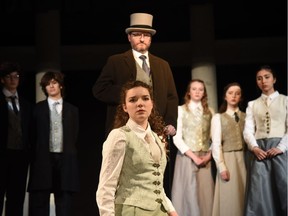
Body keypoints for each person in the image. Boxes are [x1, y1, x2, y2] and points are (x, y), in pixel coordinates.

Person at [96, 80, 178, 216]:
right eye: (133, 100)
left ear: (152, 104)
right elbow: (106, 186)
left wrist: (171, 210)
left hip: (160, 211)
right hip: (131, 211)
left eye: (145, 98)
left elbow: (156, 184)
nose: (140, 103)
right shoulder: (119, 136)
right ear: (125, 107)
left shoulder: (157, 138)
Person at [92, 12, 178, 137]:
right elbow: (99, 90)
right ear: (129, 37)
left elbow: (171, 97)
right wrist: (127, 95)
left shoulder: (163, 65)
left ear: (150, 38)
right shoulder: (116, 61)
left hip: (155, 130)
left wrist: (170, 122)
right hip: (124, 128)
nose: (142, 39)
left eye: (146, 35)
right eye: (137, 35)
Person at [28, 71, 79, 216]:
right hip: (43, 159)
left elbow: (74, 135)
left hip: (65, 159)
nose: (51, 86)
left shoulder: (72, 110)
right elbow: (33, 136)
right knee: (40, 202)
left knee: (64, 203)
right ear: (44, 87)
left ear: (61, 85)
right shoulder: (37, 109)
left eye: (54, 82)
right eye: (47, 84)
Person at [243, 65, 287, 216]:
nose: (263, 81)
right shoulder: (252, 104)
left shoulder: (285, 101)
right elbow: (248, 130)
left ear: (274, 79)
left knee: (284, 187)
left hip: (280, 150)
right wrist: (254, 148)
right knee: (259, 192)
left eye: (267, 77)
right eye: (259, 78)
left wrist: (281, 147)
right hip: (259, 150)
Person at [171, 79, 215, 216]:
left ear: (204, 93)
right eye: (194, 89)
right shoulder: (181, 110)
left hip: (205, 157)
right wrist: (194, 157)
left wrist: (209, 156)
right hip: (187, 156)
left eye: (200, 89)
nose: (197, 92)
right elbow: (177, 137)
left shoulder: (210, 112)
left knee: (205, 194)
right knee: (188, 193)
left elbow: (215, 137)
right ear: (189, 92)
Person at [0, 62, 33, 216]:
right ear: (2, 80)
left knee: (17, 198)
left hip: (20, 156)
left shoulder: (26, 105)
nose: (13, 80)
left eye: (16, 76)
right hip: (3, 155)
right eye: (9, 76)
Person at [211, 82, 247, 216]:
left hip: (244, 159)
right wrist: (222, 166)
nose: (234, 96)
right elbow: (216, 144)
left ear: (241, 97)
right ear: (225, 96)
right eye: (230, 93)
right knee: (230, 196)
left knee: (244, 194)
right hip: (229, 159)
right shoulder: (218, 118)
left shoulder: (246, 116)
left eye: (237, 93)